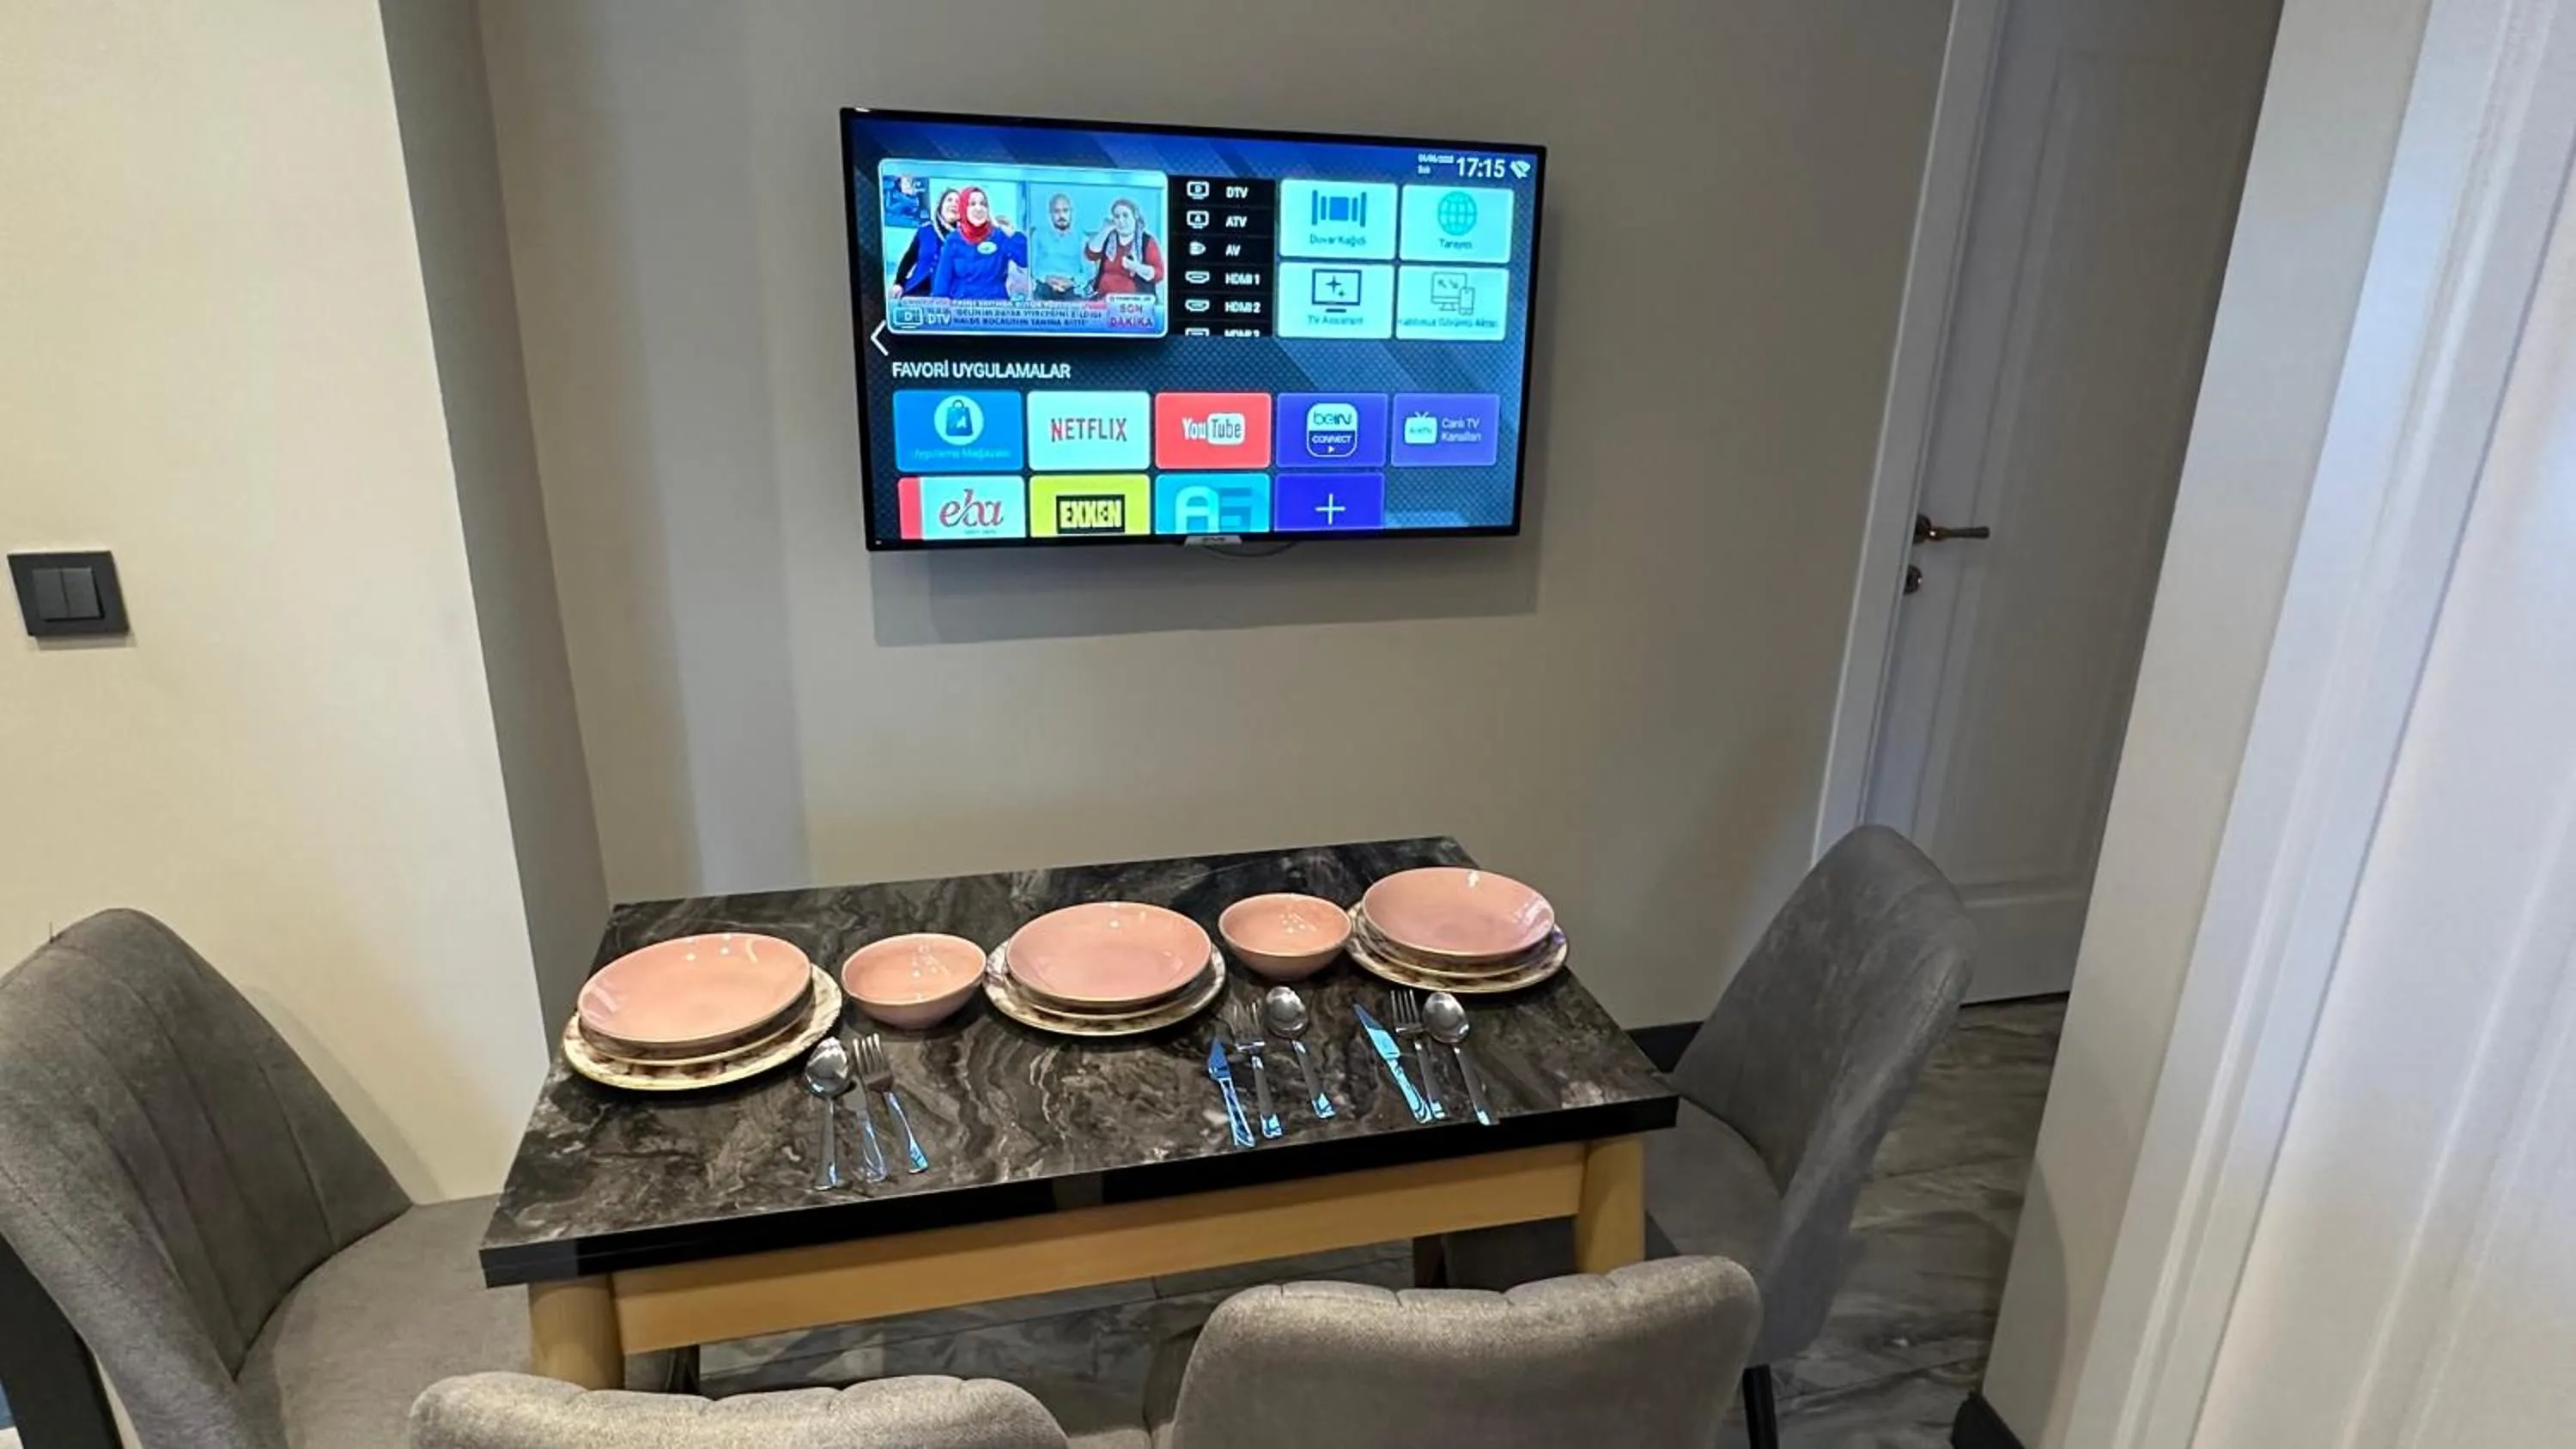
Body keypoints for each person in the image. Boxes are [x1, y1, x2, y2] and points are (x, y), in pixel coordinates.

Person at [930, 186, 1026, 300]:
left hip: (996, 309)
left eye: (983, 204)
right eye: (972, 204)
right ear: (963, 208)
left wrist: (1011, 233)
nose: (979, 208)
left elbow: (1025, 260)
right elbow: (941, 285)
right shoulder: (953, 240)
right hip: (962, 310)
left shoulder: (999, 236)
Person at [1084, 198, 1163, 296]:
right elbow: (1091, 255)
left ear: (1135, 216)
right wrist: (1105, 230)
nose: (1121, 221)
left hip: (1134, 302)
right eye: (1117, 217)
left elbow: (1159, 274)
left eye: (1125, 216)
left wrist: (1137, 267)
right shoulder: (1109, 237)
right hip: (1104, 299)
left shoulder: (1147, 241)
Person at [890, 188, 958, 298]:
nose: (954, 204)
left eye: (958, 202)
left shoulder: (965, 237)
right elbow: (909, 258)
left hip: (950, 297)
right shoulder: (925, 230)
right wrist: (899, 283)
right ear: (940, 206)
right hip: (916, 291)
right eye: (949, 200)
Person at [1026, 192, 1091, 301]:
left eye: (1065, 211)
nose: (1061, 216)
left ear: (1071, 212)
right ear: (1050, 214)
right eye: (1057, 211)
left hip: (1072, 287)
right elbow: (1031, 265)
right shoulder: (1038, 235)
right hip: (1044, 285)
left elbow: (1089, 271)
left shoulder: (1082, 238)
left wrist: (1072, 281)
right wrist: (1047, 278)